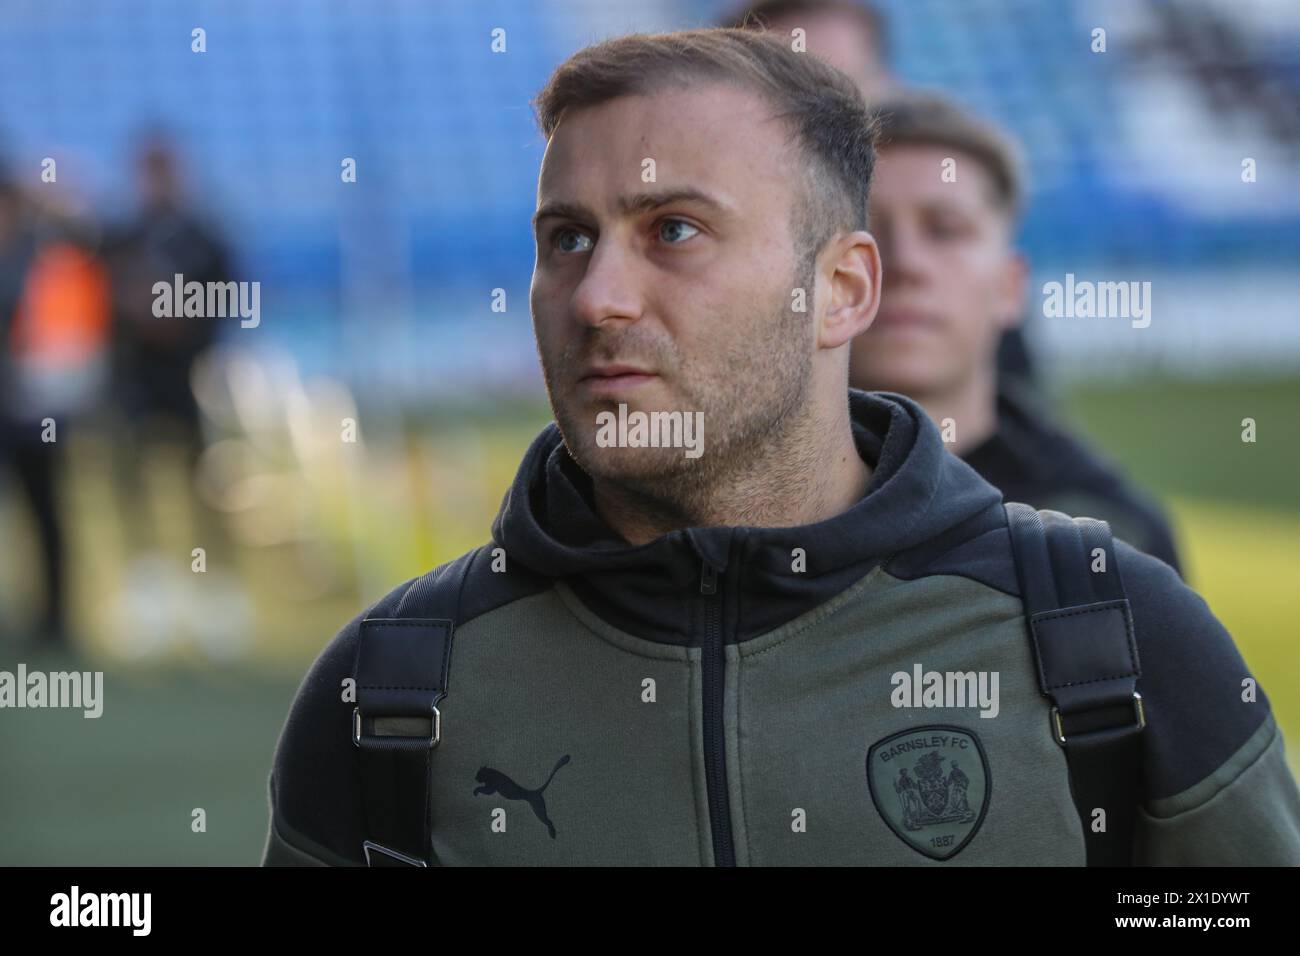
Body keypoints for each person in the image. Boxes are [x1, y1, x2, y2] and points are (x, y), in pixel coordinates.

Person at [263, 29, 1299, 866]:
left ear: (841, 289)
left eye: (672, 229)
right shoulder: (392, 688)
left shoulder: (1110, 635)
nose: (596, 297)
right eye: (565, 238)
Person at [851, 91, 1183, 573]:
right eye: (868, 231)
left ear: (1009, 286)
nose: (905, 263)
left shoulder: (1113, 535)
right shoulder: (742, 509)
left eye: (945, 229)